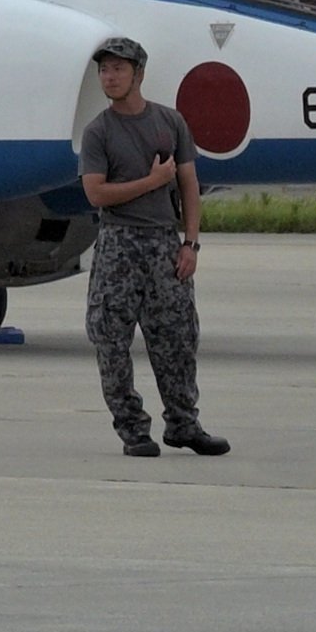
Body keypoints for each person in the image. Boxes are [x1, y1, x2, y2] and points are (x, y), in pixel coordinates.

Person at [76, 35, 228, 458]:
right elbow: (96, 194)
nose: (110, 77)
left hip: (164, 243)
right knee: (111, 340)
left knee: (177, 338)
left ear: (138, 74)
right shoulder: (98, 133)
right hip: (118, 244)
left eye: (118, 69)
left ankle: (183, 424)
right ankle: (133, 430)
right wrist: (150, 182)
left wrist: (190, 244)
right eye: (104, 70)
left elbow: (189, 184)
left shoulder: (170, 122)